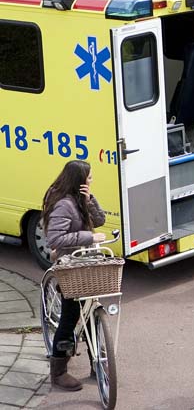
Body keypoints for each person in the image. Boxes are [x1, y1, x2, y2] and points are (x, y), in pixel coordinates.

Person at [43, 160, 106, 391]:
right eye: (88, 178)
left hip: (85, 261)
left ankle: (96, 362)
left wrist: (90, 201)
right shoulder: (63, 204)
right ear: (78, 180)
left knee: (90, 311)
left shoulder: (80, 199)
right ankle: (58, 372)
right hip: (69, 264)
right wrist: (89, 238)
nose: (91, 181)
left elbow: (99, 221)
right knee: (70, 315)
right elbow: (55, 240)